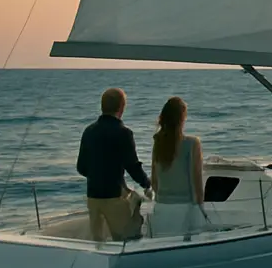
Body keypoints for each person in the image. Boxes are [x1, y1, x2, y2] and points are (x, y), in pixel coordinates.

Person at [76, 87, 152, 241]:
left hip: (93, 196)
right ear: (121, 107)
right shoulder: (123, 133)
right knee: (126, 238)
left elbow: (81, 167)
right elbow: (132, 166)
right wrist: (146, 183)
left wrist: (97, 175)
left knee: (97, 242)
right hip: (113, 195)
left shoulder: (88, 131)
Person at [149, 96, 207, 237]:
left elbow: (154, 181)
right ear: (182, 118)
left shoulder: (158, 142)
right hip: (184, 207)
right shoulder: (192, 144)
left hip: (161, 207)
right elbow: (196, 180)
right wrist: (200, 209)